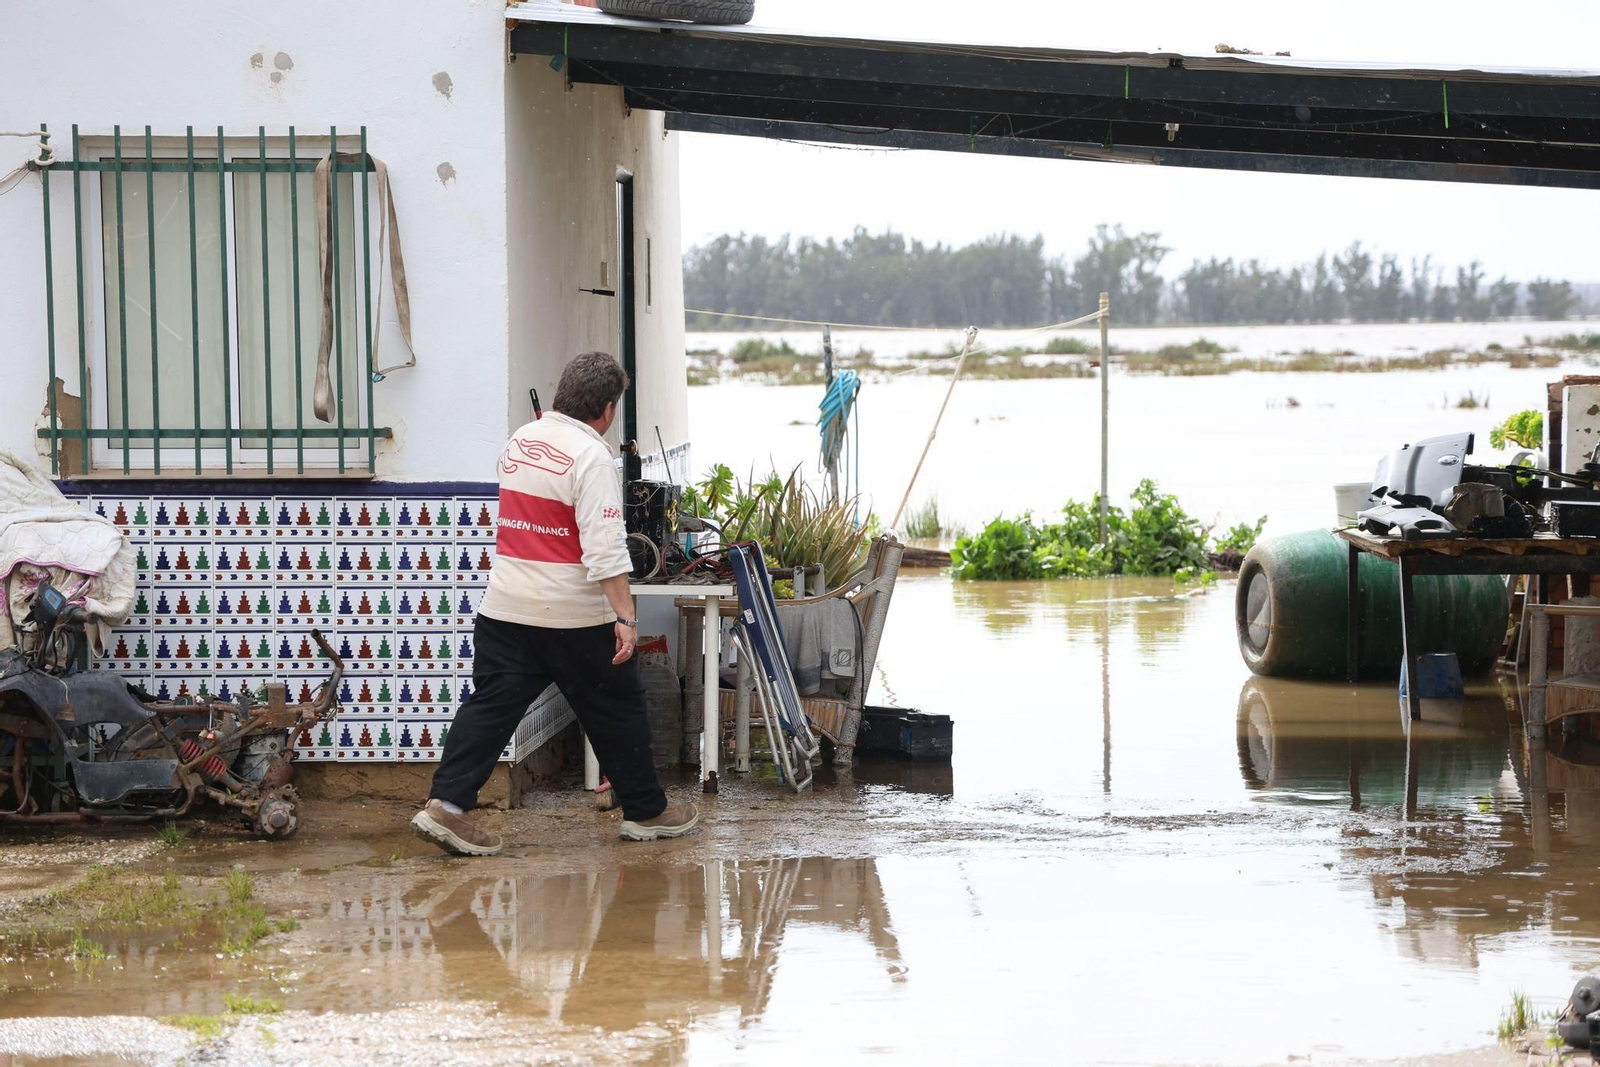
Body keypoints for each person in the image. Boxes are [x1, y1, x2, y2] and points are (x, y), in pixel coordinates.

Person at [411, 351, 699, 856]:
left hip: (504, 607)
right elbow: (605, 550)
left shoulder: (520, 441)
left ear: (564, 393)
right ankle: (646, 812)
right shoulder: (591, 459)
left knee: (490, 706)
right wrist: (625, 618)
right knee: (617, 706)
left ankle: (447, 807)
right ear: (607, 410)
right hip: (571, 616)